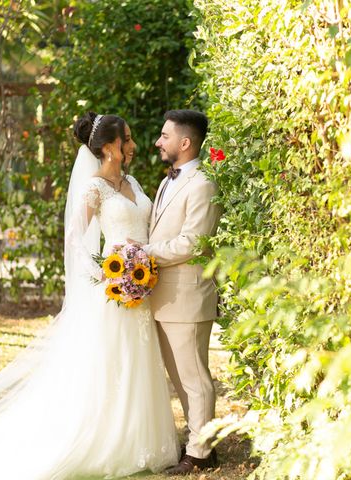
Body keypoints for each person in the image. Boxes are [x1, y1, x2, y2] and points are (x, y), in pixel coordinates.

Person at [0, 112, 179, 479]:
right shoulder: (94, 188)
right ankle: (112, 441)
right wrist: (107, 276)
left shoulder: (134, 182)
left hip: (141, 286)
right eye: (127, 138)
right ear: (109, 147)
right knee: (114, 365)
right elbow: (76, 239)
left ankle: (145, 441)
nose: (134, 144)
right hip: (113, 291)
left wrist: (141, 271)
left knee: (139, 363)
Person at [142, 109, 221, 475]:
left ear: (185, 143)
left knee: (195, 378)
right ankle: (198, 440)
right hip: (164, 297)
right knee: (180, 379)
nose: (159, 141)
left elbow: (193, 242)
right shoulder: (166, 181)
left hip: (188, 296)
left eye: (164, 135)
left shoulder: (203, 183)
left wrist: (144, 254)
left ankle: (201, 454)